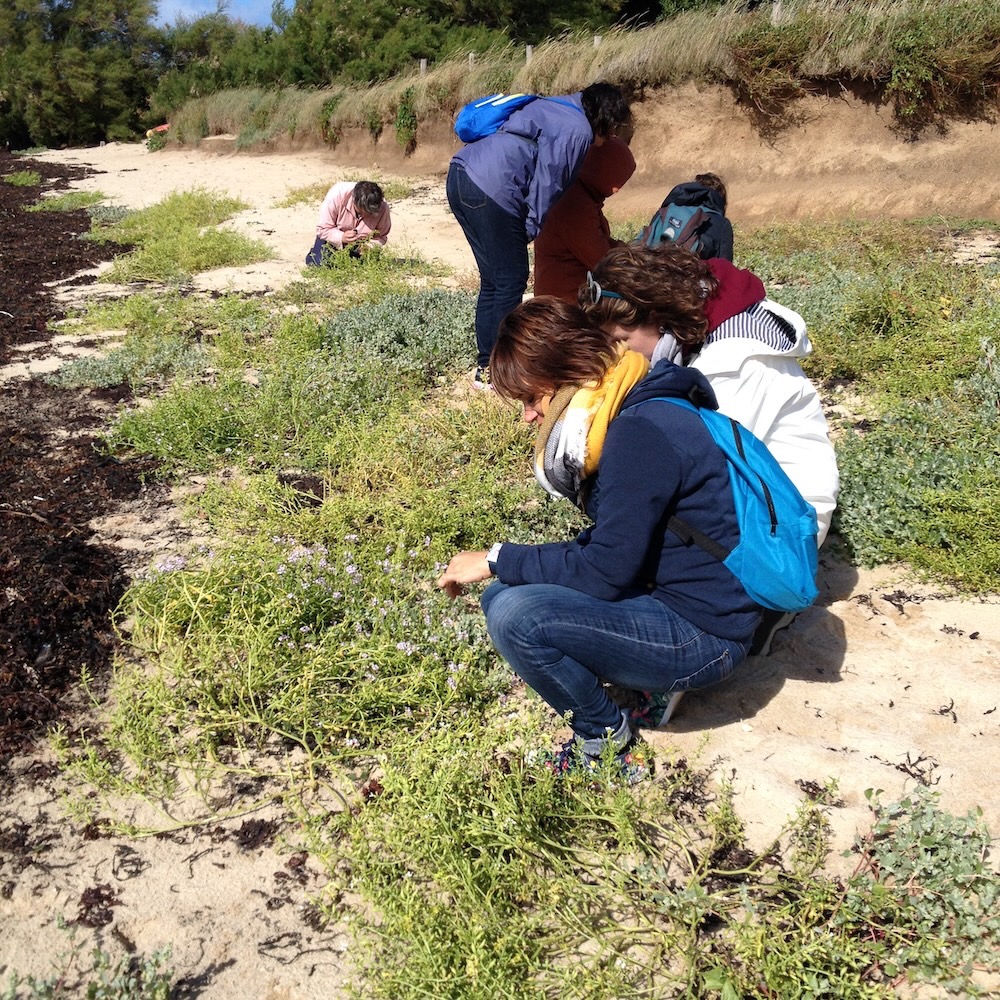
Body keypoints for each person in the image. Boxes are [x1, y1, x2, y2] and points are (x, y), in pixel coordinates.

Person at [436, 298, 760, 778]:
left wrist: (496, 557)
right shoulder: (636, 400)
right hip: (679, 598)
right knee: (504, 593)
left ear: (567, 370)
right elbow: (616, 546)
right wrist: (504, 565)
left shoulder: (638, 433)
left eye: (531, 397)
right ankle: (638, 686)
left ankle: (607, 745)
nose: (529, 416)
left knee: (514, 615)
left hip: (706, 635)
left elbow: (606, 570)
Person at [581, 242, 840, 657]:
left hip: (782, 529)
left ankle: (760, 609)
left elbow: (701, 462)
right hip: (756, 498)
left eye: (624, 339)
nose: (624, 354)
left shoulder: (738, 363)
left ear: (661, 318)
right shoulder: (704, 333)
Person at [446, 82, 632, 389]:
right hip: (493, 186)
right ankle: (498, 371)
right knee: (509, 281)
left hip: (462, 174)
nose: (604, 142)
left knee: (494, 281)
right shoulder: (578, 130)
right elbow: (549, 183)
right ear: (605, 118)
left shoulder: (558, 106)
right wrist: (529, 227)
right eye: (610, 131)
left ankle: (485, 366)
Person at [532, 137, 636, 303]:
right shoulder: (573, 203)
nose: (616, 191)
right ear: (598, 170)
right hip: (565, 304)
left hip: (573, 296)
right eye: (614, 181)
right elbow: (601, 259)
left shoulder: (579, 194)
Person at [305, 180, 391, 266]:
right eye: (362, 211)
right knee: (319, 263)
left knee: (366, 265)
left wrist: (369, 246)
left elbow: (381, 236)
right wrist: (341, 237)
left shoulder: (382, 207)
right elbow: (323, 229)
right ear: (354, 200)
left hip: (362, 245)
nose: (365, 214)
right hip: (331, 240)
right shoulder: (336, 196)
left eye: (370, 213)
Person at [656, 171, 734, 261]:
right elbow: (725, 267)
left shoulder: (665, 212)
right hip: (690, 272)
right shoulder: (722, 224)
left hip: (647, 271)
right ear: (721, 201)